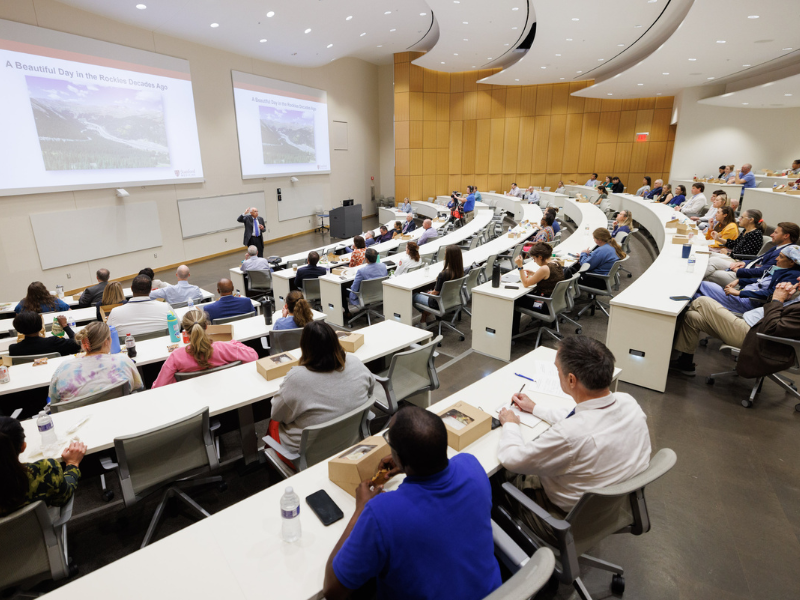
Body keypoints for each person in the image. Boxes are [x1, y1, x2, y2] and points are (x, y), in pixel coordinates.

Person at [323, 407, 501, 600]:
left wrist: (360, 510)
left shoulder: (382, 513)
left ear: (398, 456)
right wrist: (409, 463)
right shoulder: (471, 465)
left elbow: (332, 590)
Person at [497, 336, 651, 540]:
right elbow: (582, 417)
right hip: (609, 508)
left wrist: (510, 424)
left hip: (563, 521)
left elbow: (512, 459)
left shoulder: (569, 435)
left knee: (495, 477)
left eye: (557, 370)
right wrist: (535, 408)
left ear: (571, 379)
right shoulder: (628, 402)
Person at [269, 321, 375, 456]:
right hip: (351, 441)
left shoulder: (296, 379)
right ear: (336, 342)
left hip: (308, 455)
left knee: (273, 423)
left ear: (304, 347)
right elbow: (370, 390)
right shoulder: (355, 362)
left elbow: (276, 414)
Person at [670, 276, 800, 376]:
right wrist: (787, 298)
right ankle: (685, 363)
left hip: (756, 337)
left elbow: (773, 328)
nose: (798, 278)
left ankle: (665, 337)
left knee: (702, 301)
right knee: (692, 317)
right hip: (751, 327)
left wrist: (778, 300)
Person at [0, 416, 86, 518]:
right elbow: (64, 497)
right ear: (23, 446)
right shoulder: (45, 471)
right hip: (42, 530)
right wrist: (72, 464)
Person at [152, 309, 258, 387]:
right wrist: (234, 343)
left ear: (185, 331)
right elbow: (253, 356)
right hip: (227, 392)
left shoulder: (176, 356)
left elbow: (158, 387)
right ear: (206, 326)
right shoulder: (224, 347)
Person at [49, 321, 143, 403]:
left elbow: (54, 402)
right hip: (118, 414)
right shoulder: (123, 361)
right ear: (106, 342)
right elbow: (139, 387)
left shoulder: (64, 368)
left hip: (77, 421)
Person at [693, 245, 800, 314]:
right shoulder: (782, 270)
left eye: (781, 257)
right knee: (697, 296)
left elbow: (771, 294)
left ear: (792, 262)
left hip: (748, 302)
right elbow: (760, 281)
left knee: (702, 285)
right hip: (744, 294)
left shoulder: (792, 277)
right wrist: (739, 281)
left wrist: (739, 294)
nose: (777, 258)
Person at [705, 221, 799, 286]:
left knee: (711, 274)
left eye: (775, 232)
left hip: (747, 276)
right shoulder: (778, 247)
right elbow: (759, 259)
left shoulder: (785, 253)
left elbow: (763, 271)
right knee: (713, 260)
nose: (771, 235)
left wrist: (739, 271)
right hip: (746, 268)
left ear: (786, 236)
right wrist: (743, 263)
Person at [512, 242, 565, 332]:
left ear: (540, 257)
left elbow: (526, 283)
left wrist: (520, 266)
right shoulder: (555, 263)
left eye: (534, 258)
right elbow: (550, 277)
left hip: (544, 304)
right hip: (555, 302)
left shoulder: (544, 269)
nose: (534, 261)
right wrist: (535, 274)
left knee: (515, 300)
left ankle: (514, 333)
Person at [107, 274, 177, 336]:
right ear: (150, 289)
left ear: (131, 288)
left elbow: (107, 335)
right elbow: (177, 327)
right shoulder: (165, 307)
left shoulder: (115, 312)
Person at [413, 245, 463, 324]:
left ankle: (425, 314)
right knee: (427, 290)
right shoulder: (460, 271)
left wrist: (430, 293)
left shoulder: (443, 274)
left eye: (445, 254)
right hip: (451, 299)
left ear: (449, 257)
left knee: (413, 295)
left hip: (436, 303)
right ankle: (425, 316)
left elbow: (436, 292)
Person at [9, 312, 80, 357]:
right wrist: (65, 326)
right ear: (41, 327)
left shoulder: (14, 349)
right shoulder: (54, 342)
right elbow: (77, 343)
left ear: (18, 330)